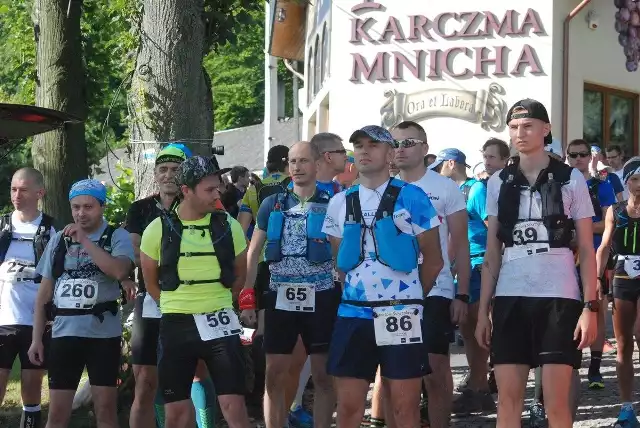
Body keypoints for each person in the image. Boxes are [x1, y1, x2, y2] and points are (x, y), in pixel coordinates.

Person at [475, 99, 598, 428]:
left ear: (545, 130)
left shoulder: (571, 179)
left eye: (527, 126)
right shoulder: (498, 181)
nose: (519, 133)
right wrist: (483, 309)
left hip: (559, 296)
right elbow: (491, 253)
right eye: (513, 128)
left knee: (557, 406)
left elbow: (586, 249)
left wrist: (591, 307)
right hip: (510, 296)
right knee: (508, 402)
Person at [322, 125, 443, 428]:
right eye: (359, 145)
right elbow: (340, 263)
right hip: (353, 314)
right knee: (348, 408)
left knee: (404, 408)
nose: (364, 150)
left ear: (390, 153)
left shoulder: (413, 197)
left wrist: (412, 297)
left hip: (401, 312)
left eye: (373, 145)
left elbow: (434, 259)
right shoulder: (339, 202)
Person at [139, 156, 250, 428]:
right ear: (186, 191)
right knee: (175, 413)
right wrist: (176, 304)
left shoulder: (229, 225)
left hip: (220, 319)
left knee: (233, 406)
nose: (217, 195)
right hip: (177, 322)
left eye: (218, 188)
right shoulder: (157, 229)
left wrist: (220, 301)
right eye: (209, 190)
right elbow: (151, 283)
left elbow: (240, 275)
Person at [240, 141, 338, 428]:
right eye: (292, 161)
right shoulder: (272, 203)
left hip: (321, 295)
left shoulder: (333, 203)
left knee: (322, 375)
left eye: (303, 161)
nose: (297, 167)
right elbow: (253, 252)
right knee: (274, 373)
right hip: (280, 295)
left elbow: (341, 252)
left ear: (318, 164)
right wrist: (247, 298)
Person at [29, 179, 135, 428]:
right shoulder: (59, 241)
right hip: (65, 334)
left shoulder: (116, 236)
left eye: (88, 207)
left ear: (102, 206)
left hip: (103, 336)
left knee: (105, 410)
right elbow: (44, 294)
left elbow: (119, 270)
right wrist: (36, 339)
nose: (80, 213)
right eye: (75, 207)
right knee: (57, 413)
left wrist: (86, 241)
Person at [125, 144, 217, 428]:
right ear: (154, 174)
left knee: (198, 371)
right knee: (145, 377)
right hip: (151, 300)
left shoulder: (199, 205)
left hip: (194, 299)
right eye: (162, 169)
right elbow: (137, 251)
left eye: (175, 170)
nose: (168, 175)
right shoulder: (140, 209)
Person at [395, 126, 472, 427]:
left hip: (435, 289)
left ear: (425, 148)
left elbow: (461, 242)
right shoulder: (383, 187)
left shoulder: (444, 187)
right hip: (390, 291)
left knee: (436, 370)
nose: (400, 148)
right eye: (396, 143)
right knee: (397, 374)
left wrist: (462, 293)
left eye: (408, 143)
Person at [0, 168, 55, 428]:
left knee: (32, 390)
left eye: (23, 189)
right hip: (3, 319)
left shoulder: (52, 230)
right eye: (13, 189)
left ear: (39, 193)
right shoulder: (2, 226)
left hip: (38, 322)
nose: (17, 195)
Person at [566, 138, 616, 389]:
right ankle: (570, 363)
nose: (577, 159)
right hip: (565, 257)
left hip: (596, 255)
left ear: (590, 157)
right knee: (568, 310)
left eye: (582, 155)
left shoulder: (601, 186)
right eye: (573, 155)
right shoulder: (561, 183)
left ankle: (595, 369)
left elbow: (608, 223)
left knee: (596, 309)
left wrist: (578, 232)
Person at [596, 156, 640, 427]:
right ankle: (626, 408)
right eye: (634, 179)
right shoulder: (616, 210)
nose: (639, 185)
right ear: (627, 181)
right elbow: (603, 246)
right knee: (623, 345)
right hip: (622, 279)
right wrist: (596, 280)